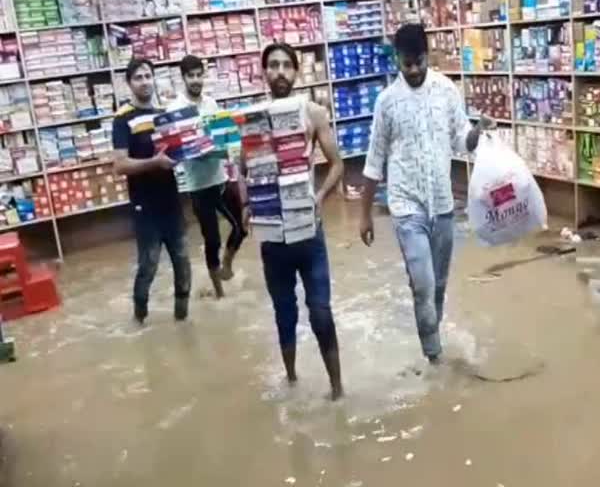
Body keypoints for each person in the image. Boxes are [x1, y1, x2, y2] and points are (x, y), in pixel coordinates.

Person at [359, 24, 493, 364]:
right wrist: (363, 215)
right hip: (406, 206)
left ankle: (431, 334)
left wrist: (477, 132)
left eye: (419, 61)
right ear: (397, 62)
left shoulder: (446, 90)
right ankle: (433, 357)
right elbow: (374, 159)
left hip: (443, 204)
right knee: (421, 282)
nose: (414, 70)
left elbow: (460, 140)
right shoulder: (386, 102)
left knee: (438, 285)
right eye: (407, 64)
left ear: (427, 54)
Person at [248, 43, 345, 399]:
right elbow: (247, 169)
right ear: (264, 73)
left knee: (320, 310)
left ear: (296, 72)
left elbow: (337, 163)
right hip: (272, 235)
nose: (279, 72)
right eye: (272, 66)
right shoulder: (253, 120)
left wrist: (318, 199)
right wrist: (248, 203)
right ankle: (291, 380)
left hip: (308, 230)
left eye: (286, 65)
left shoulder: (314, 113)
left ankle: (337, 391)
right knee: (283, 311)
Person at [113, 58, 191, 323]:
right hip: (144, 205)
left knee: (183, 261)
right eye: (139, 77)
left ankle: (182, 320)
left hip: (171, 199)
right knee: (149, 264)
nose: (145, 81)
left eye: (148, 76)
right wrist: (153, 163)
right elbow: (120, 165)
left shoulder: (163, 115)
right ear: (129, 83)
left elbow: (175, 152)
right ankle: (140, 317)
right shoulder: (123, 119)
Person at [170, 54, 247, 298]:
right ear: (183, 78)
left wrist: (229, 149)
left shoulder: (212, 104)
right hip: (198, 185)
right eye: (190, 76)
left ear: (203, 76)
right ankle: (219, 292)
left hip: (220, 178)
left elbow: (223, 137)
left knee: (241, 227)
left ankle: (227, 264)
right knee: (211, 239)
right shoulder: (175, 111)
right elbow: (174, 150)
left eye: (198, 75)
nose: (195, 80)